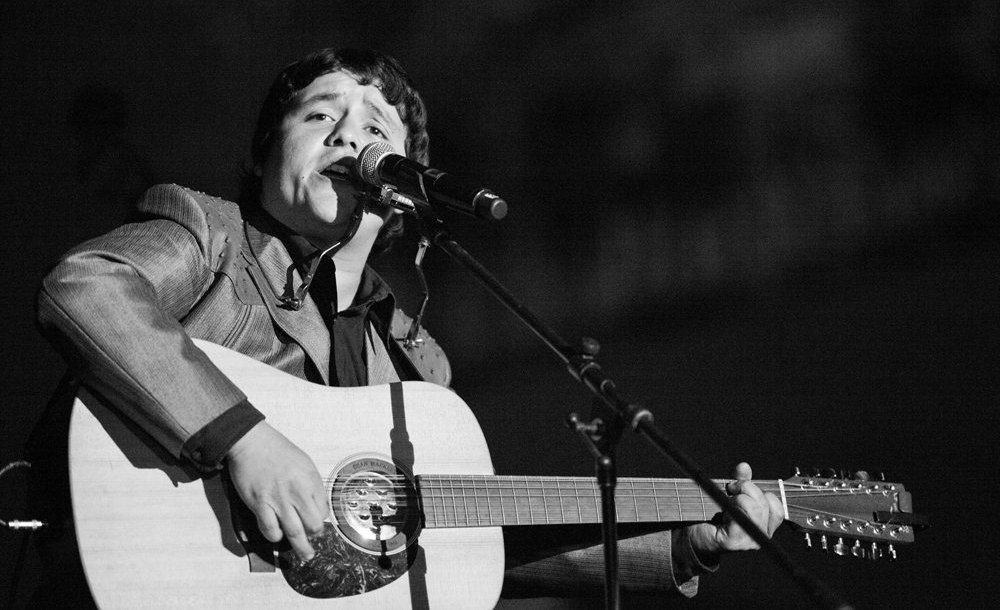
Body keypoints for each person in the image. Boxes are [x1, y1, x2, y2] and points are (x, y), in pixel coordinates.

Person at [25, 47, 783, 608]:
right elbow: (87, 288)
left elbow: (462, 549)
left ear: (404, 195)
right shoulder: (211, 235)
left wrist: (687, 542)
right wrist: (242, 437)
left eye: (374, 127)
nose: (348, 137)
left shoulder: (418, 371)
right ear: (259, 159)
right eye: (319, 115)